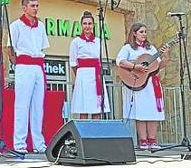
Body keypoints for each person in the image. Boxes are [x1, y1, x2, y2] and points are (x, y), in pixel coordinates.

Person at [116, 22, 170, 150]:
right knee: (140, 111)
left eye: (145, 31)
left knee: (152, 112)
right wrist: (135, 66)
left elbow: (158, 65)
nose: (144, 34)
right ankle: (143, 141)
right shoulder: (128, 48)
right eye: (141, 32)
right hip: (138, 83)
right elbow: (120, 61)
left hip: (151, 83)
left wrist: (166, 55)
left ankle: (152, 140)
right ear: (134, 33)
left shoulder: (151, 49)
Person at [8, 0, 49, 154]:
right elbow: (9, 48)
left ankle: (39, 144)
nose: (35, 8)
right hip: (24, 65)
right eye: (32, 6)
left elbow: (43, 47)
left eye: (37, 5)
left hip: (38, 65)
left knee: (38, 106)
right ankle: (19, 143)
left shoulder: (41, 26)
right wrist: (16, 63)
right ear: (24, 8)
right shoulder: (16, 25)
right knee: (22, 105)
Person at [69, 11, 110, 119]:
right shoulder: (76, 42)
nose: (87, 26)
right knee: (84, 107)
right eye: (85, 23)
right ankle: (83, 134)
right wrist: (79, 76)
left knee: (97, 108)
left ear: (93, 25)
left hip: (96, 75)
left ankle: (96, 133)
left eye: (90, 23)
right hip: (83, 75)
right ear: (81, 25)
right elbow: (73, 63)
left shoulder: (98, 41)